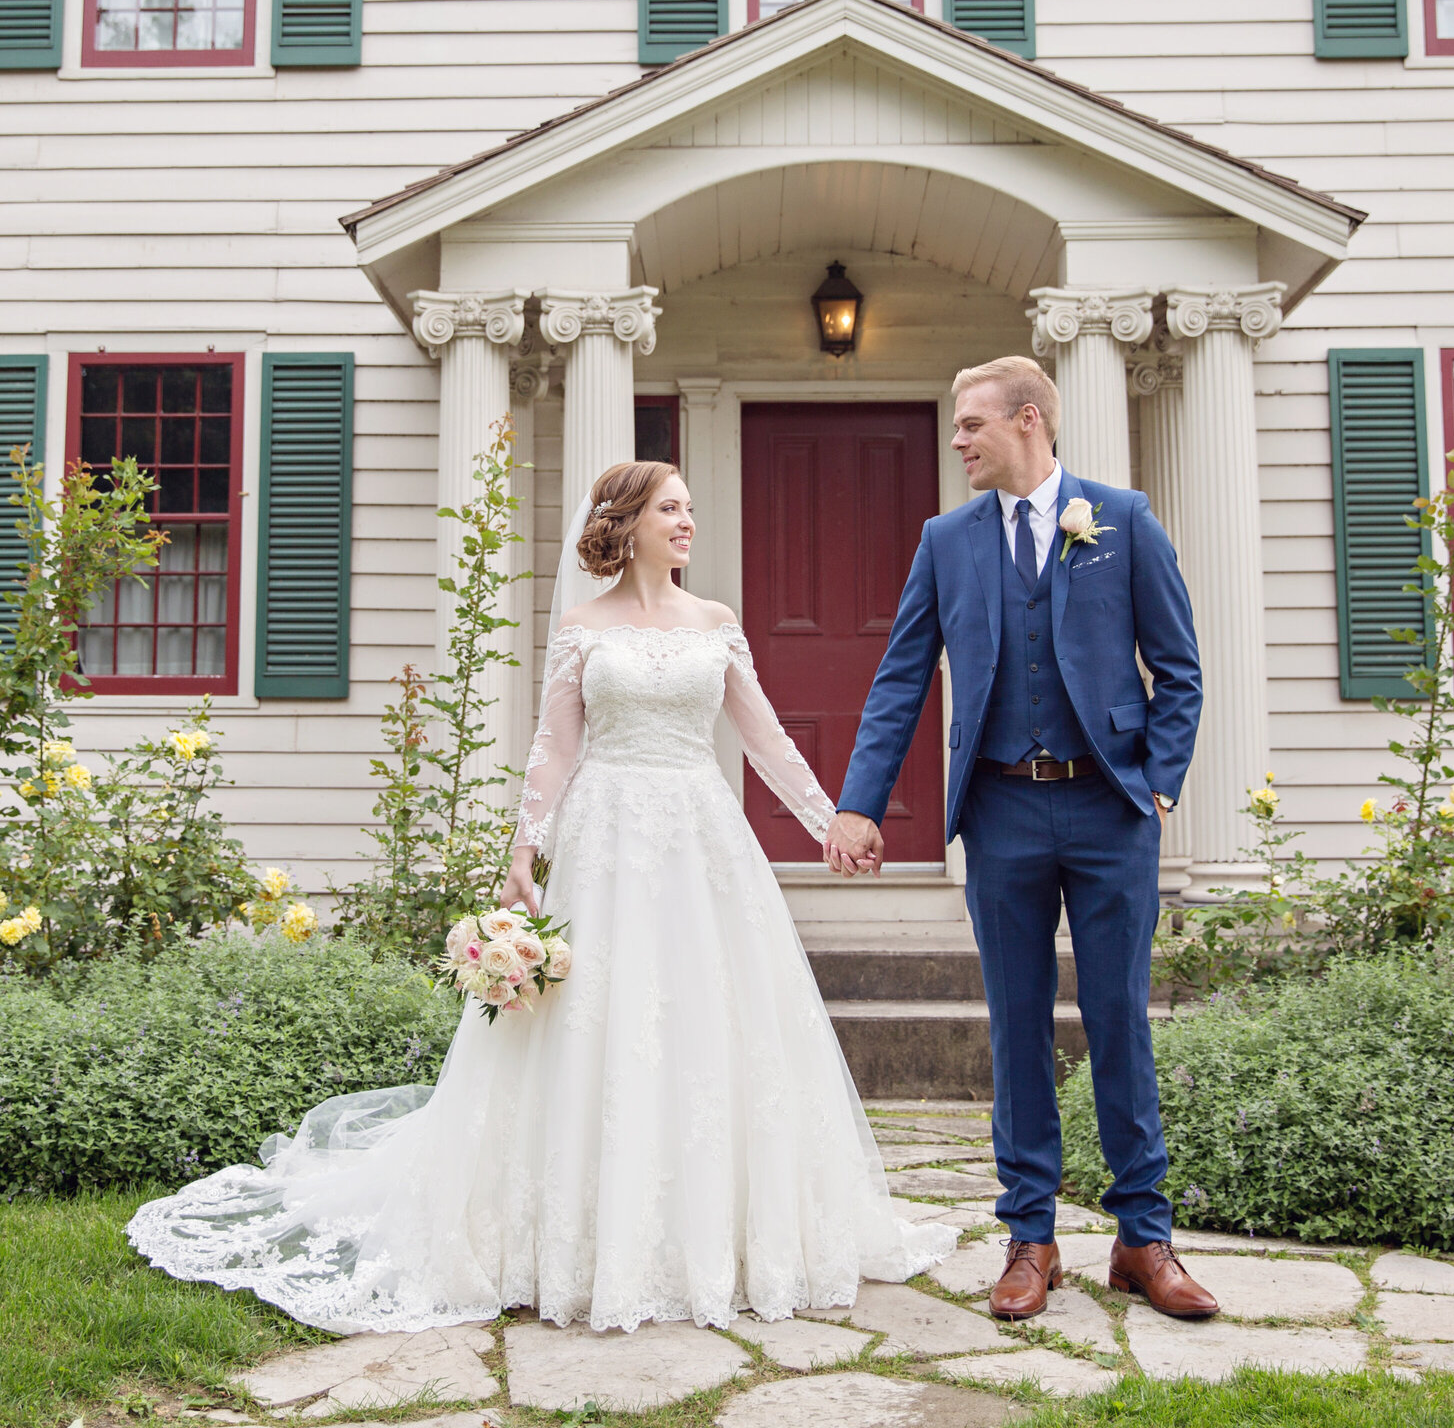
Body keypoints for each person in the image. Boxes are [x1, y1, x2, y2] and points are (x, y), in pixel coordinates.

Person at [127, 460, 954, 1335]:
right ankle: (571, 1238)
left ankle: (719, 1233)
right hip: (604, 842)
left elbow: (766, 741)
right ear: (628, 523)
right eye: (673, 509)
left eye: (691, 510)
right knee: (596, 1023)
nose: (689, 524)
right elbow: (553, 750)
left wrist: (832, 821)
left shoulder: (717, 625)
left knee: (709, 1020)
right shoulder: (580, 629)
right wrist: (524, 851)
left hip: (701, 842)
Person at [824, 356, 1219, 1322]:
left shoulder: (1123, 519)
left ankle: (1143, 1238)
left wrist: (1159, 788)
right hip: (1000, 811)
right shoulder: (946, 540)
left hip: (1109, 808)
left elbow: (1180, 669)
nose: (956, 440)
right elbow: (900, 677)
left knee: (1121, 1017)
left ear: (1029, 421)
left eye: (970, 425)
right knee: (1017, 1024)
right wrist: (859, 801)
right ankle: (1029, 1237)